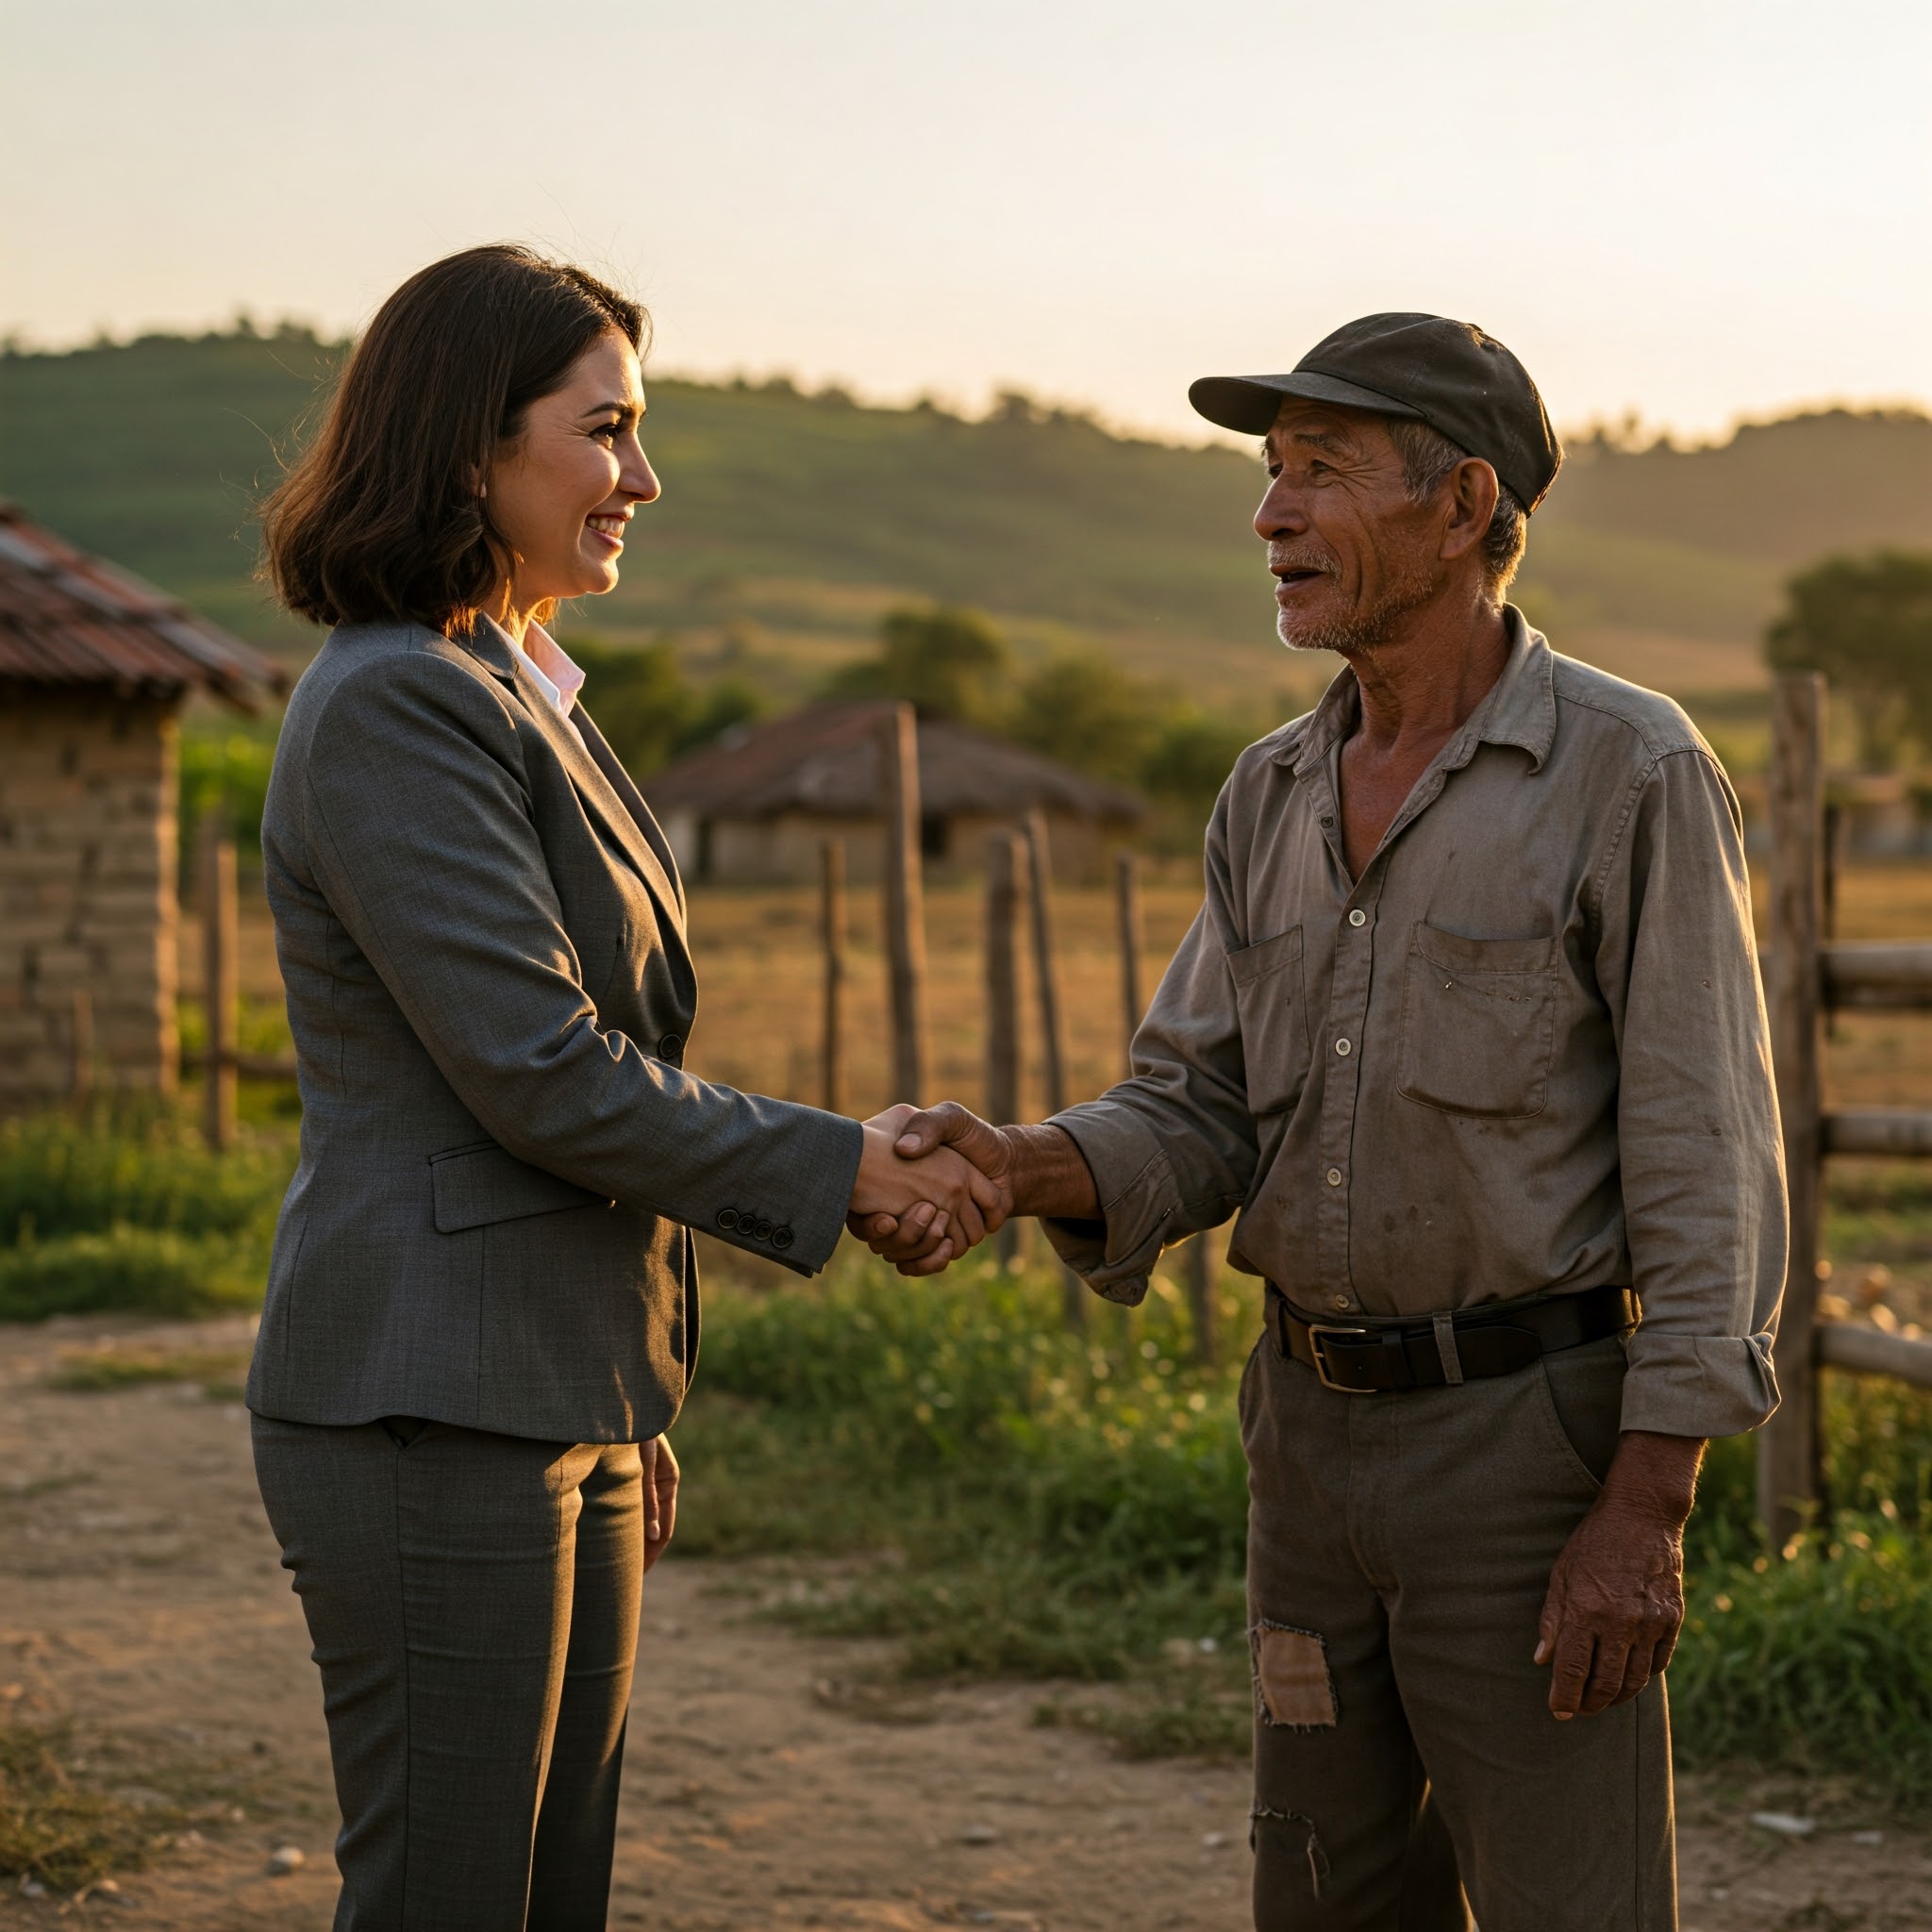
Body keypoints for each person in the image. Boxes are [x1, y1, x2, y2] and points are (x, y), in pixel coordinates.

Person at [858, 313, 1787, 1931]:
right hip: (1304, 1446)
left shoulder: (1629, 773)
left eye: (1322, 472)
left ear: (1463, 503)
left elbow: (1710, 1160)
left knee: (1571, 1903)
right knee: (1321, 1890)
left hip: (1529, 1453)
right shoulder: (1269, 794)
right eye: (1273, 473)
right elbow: (1201, 1106)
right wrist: (1022, 1167)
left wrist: (1645, 1505)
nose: (1270, 514)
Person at [246, 242, 1008, 1931]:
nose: (642, 479)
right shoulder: (397, 703)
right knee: (455, 1894)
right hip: (432, 1398)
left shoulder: (518, 690)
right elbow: (541, 1072)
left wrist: (621, 1388)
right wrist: (851, 1168)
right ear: (470, 449)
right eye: (605, 431)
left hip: (548, 1383)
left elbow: (605, 1061)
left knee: (552, 1887)